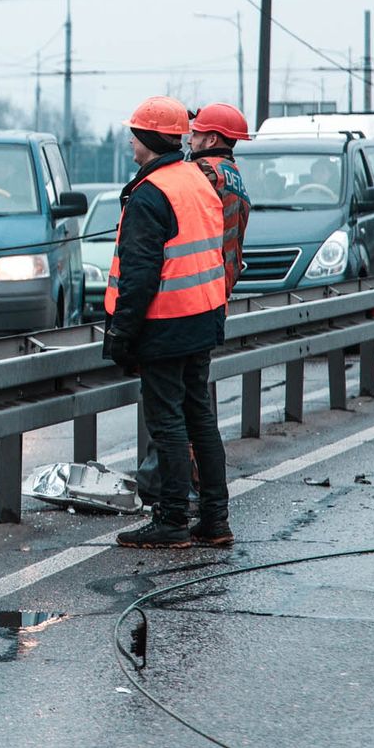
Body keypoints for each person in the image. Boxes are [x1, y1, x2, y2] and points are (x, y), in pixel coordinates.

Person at [103, 96, 232, 550]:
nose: (130, 142)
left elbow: (138, 276)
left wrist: (121, 334)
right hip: (202, 317)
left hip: (165, 324)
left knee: (169, 424)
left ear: (148, 139)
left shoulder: (150, 194)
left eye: (134, 134)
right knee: (200, 418)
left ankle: (172, 520)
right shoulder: (195, 180)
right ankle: (215, 519)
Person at [188, 103, 252, 299]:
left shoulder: (204, 172)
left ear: (212, 140)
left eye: (195, 134)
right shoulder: (231, 171)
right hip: (221, 282)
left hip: (201, 284)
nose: (189, 141)